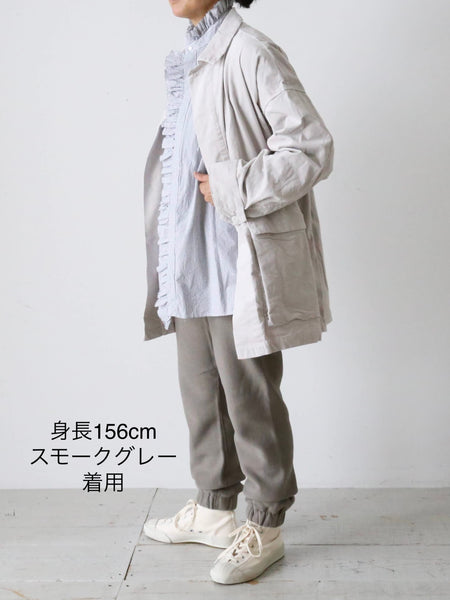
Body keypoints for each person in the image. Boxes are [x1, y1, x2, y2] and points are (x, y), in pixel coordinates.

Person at [142, 0, 334, 585]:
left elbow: (311, 147)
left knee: (250, 399)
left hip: (234, 258)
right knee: (201, 393)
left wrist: (229, 185)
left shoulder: (249, 50)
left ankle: (266, 524)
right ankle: (214, 509)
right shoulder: (193, 54)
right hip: (190, 255)